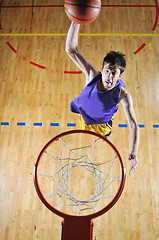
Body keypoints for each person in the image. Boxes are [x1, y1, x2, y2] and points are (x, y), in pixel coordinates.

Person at [65, 22, 139, 175]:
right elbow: (71, 50)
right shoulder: (92, 75)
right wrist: (76, 21)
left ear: (120, 76)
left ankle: (106, 133)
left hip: (101, 125)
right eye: (107, 71)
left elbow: (133, 125)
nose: (109, 77)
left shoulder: (123, 95)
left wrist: (133, 151)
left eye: (114, 73)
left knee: (103, 136)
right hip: (83, 116)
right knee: (83, 129)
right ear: (102, 69)